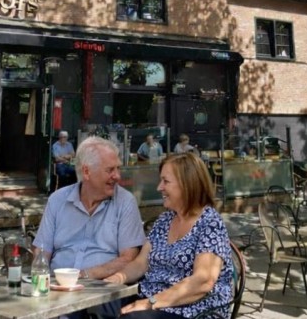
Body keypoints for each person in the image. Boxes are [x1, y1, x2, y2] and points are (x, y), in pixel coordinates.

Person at [104, 153, 233, 318]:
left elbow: (203, 281)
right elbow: (141, 263)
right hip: (154, 300)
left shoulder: (209, 222)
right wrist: (115, 279)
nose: (159, 187)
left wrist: (149, 302)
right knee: (99, 305)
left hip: (194, 309)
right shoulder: (165, 220)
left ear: (188, 185)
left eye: (166, 181)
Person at [33, 137, 145, 319]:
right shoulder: (57, 200)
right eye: (110, 170)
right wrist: (42, 282)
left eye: (118, 168)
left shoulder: (125, 202)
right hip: (55, 287)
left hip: (99, 290)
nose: (117, 176)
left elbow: (128, 258)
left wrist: (84, 275)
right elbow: (42, 251)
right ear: (86, 172)